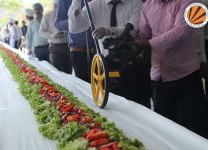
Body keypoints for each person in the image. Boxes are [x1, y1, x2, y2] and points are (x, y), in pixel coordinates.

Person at [135, 0, 208, 138]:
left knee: (197, 127)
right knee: (166, 129)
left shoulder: (187, 2)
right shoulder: (147, 6)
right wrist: (132, 45)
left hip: (187, 76)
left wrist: (147, 43)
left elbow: (180, 32)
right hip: (160, 77)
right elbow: (144, 34)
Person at [68, 0, 151, 108]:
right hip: (105, 65)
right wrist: (76, 2)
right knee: (111, 109)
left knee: (138, 108)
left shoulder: (136, 3)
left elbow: (132, 31)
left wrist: (108, 31)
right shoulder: (93, 5)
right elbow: (75, 28)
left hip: (131, 66)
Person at [55, 0, 95, 82]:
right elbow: (58, 24)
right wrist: (75, 20)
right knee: (83, 87)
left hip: (99, 50)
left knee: (104, 87)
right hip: (78, 52)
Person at [40, 0, 72, 74]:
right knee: (57, 72)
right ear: (53, 5)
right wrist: (53, 35)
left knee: (68, 72)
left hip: (68, 46)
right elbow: (41, 32)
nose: (58, 7)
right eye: (56, 5)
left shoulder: (68, 13)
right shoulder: (47, 15)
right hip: (55, 47)